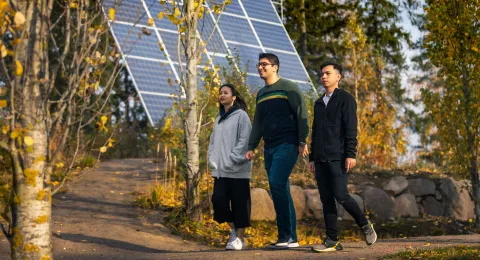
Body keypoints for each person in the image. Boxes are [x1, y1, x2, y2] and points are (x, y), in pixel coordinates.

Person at [308, 62, 377, 252]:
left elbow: (351, 129)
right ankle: (332, 240)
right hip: (320, 159)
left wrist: (351, 154)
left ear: (338, 76)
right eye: (322, 74)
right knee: (326, 199)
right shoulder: (318, 103)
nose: (323, 77)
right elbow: (315, 132)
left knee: (341, 195)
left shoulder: (345, 99)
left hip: (338, 157)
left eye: (328, 73)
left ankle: (364, 225)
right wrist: (312, 158)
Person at [245, 53, 309, 249]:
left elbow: (302, 114)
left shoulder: (288, 87)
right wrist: (251, 145)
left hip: (288, 144)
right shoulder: (262, 94)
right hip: (269, 146)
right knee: (279, 188)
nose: (260, 67)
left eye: (265, 64)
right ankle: (287, 237)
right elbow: (258, 122)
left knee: (277, 183)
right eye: (259, 64)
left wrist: (302, 140)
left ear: (275, 67)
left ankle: (288, 236)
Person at [208, 83, 252, 251]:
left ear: (234, 97)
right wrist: (212, 158)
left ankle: (239, 239)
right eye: (220, 93)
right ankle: (234, 231)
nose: (222, 95)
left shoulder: (241, 116)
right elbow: (212, 142)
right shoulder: (218, 119)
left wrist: (233, 158)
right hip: (220, 170)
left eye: (225, 92)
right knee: (218, 202)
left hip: (238, 170)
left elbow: (245, 139)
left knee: (240, 204)